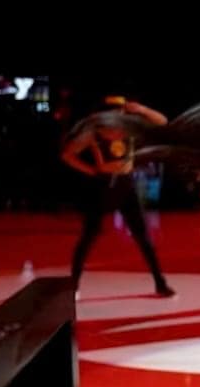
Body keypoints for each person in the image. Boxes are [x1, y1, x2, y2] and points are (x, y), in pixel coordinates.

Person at [61, 97, 174, 298]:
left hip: (126, 184)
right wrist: (90, 171)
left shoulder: (130, 129)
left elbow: (163, 122)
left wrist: (142, 109)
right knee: (89, 236)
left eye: (122, 112)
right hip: (103, 185)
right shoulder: (94, 132)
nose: (120, 115)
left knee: (143, 237)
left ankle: (160, 283)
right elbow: (68, 155)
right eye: (116, 112)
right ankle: (74, 284)